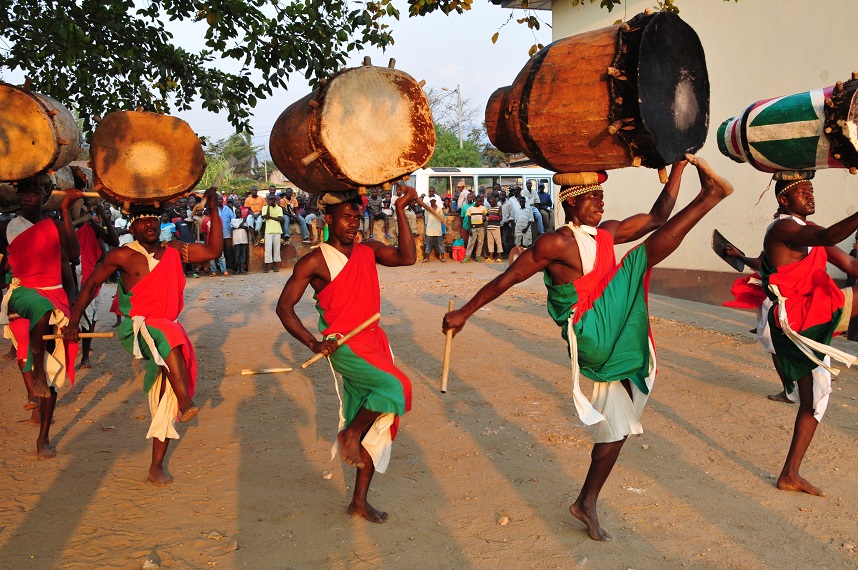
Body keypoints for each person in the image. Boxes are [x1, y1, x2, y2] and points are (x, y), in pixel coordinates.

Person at [443, 156, 732, 540]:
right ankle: (708, 199)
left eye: (601, 196)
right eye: (592, 198)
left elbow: (659, 215)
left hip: (616, 330)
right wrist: (464, 311)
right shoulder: (555, 242)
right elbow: (508, 278)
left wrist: (677, 169)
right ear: (571, 202)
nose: (601, 203)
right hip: (591, 332)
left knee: (620, 424)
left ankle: (586, 502)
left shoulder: (608, 232)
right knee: (638, 261)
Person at [275, 186, 418, 523]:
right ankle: (349, 434)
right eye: (346, 218)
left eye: (357, 217)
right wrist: (313, 343)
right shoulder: (314, 260)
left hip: (374, 342)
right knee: (397, 389)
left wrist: (400, 209)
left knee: (372, 423)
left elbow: (407, 257)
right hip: (346, 347)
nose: (353, 224)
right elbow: (284, 307)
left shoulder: (368, 250)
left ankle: (358, 501)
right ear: (328, 219)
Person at [64, 186, 224, 486]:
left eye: (154, 219)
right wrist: (74, 321)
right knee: (168, 334)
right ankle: (187, 400)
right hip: (137, 328)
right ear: (132, 226)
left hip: (167, 328)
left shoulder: (175, 249)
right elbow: (89, 286)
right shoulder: (121, 255)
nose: (149, 224)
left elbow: (214, 251)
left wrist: (214, 210)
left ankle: (156, 466)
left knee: (163, 400)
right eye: (142, 221)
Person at [759, 175, 858, 497]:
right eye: (802, 192)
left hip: (814, 313)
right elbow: (829, 235)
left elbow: (849, 265)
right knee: (812, 399)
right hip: (798, 319)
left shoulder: (809, 233)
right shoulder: (783, 229)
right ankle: (789, 473)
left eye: (811, 190)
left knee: (815, 399)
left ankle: (790, 473)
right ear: (785, 200)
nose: (809, 196)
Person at [0, 175, 81, 457]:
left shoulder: (55, 226)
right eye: (22, 192)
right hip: (24, 292)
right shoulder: (7, 227)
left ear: (44, 197)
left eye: (33, 192)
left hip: (54, 294)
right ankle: (34, 380)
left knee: (52, 369)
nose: (26, 197)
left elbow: (74, 256)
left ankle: (43, 437)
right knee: (37, 318)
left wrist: (67, 212)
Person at [73, 201, 119, 369]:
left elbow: (114, 241)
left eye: (83, 213)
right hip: (69, 276)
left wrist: (103, 219)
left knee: (88, 315)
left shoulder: (91, 229)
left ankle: (85, 356)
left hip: (89, 277)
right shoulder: (65, 229)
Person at [262, 193, 284, 272]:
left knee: (276, 249)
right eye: (268, 200)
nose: (269, 201)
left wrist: (270, 217)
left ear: (274, 200)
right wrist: (268, 206)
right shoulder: (265, 208)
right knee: (268, 249)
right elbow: (266, 217)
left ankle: (275, 265)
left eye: (271, 200)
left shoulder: (279, 208)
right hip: (268, 231)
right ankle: (266, 266)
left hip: (277, 230)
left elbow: (280, 219)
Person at [463, 196, 487, 263]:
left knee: (480, 242)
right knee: (471, 242)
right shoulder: (470, 209)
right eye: (478, 201)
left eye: (481, 201)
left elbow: (486, 215)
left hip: (481, 227)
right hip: (473, 228)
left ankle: (478, 256)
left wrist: (483, 220)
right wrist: (470, 229)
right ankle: (467, 257)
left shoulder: (483, 208)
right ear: (475, 200)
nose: (480, 202)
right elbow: (469, 220)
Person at [422, 197, 445, 263]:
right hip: (430, 228)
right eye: (431, 201)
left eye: (434, 201)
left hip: (438, 228)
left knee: (440, 244)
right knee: (428, 244)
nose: (433, 202)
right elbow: (426, 219)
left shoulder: (439, 209)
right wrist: (427, 225)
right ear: (430, 201)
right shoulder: (427, 209)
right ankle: (426, 258)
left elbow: (441, 218)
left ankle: (442, 258)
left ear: (435, 201)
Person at [485, 195, 504, 263]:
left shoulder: (499, 208)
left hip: (496, 227)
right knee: (490, 242)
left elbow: (501, 218)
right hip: (489, 227)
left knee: (498, 242)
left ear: (495, 202)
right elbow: (487, 216)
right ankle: (491, 256)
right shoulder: (489, 208)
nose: (491, 204)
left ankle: (499, 256)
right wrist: (487, 218)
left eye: (491, 202)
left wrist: (492, 218)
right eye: (490, 203)